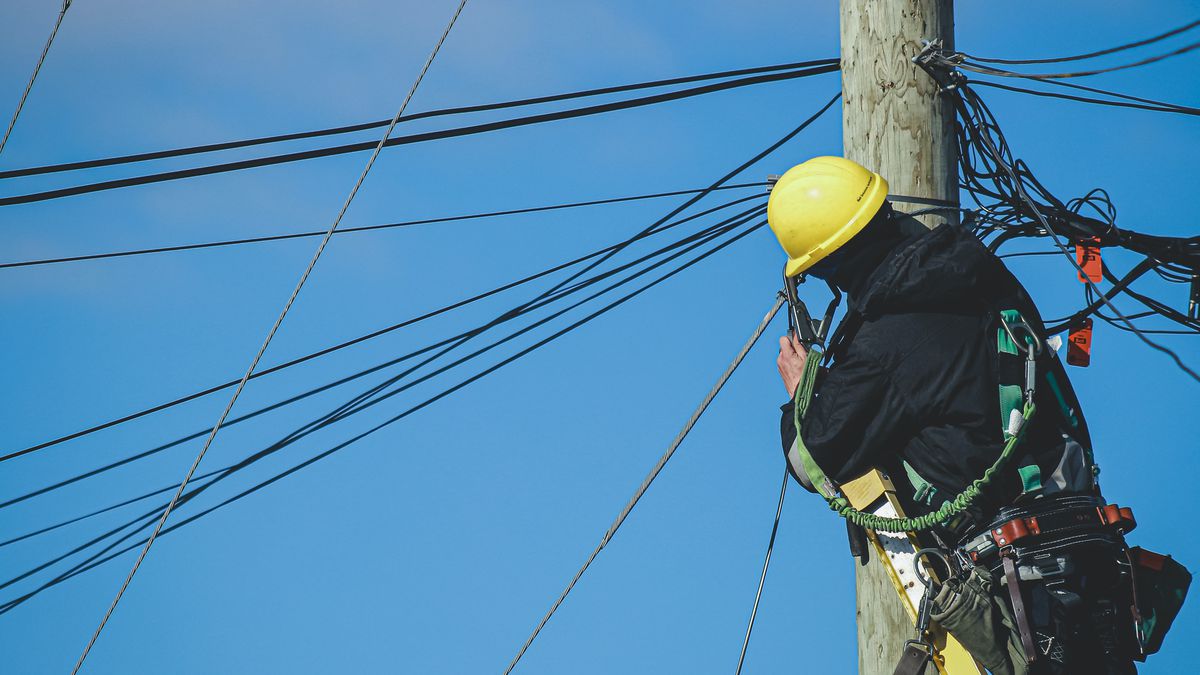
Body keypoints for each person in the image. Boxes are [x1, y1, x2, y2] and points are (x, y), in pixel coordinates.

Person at [768, 156, 1143, 675]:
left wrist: (802, 389)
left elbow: (812, 456)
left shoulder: (886, 343)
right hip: (1086, 559)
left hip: (1016, 589)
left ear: (829, 265)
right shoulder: (979, 274)